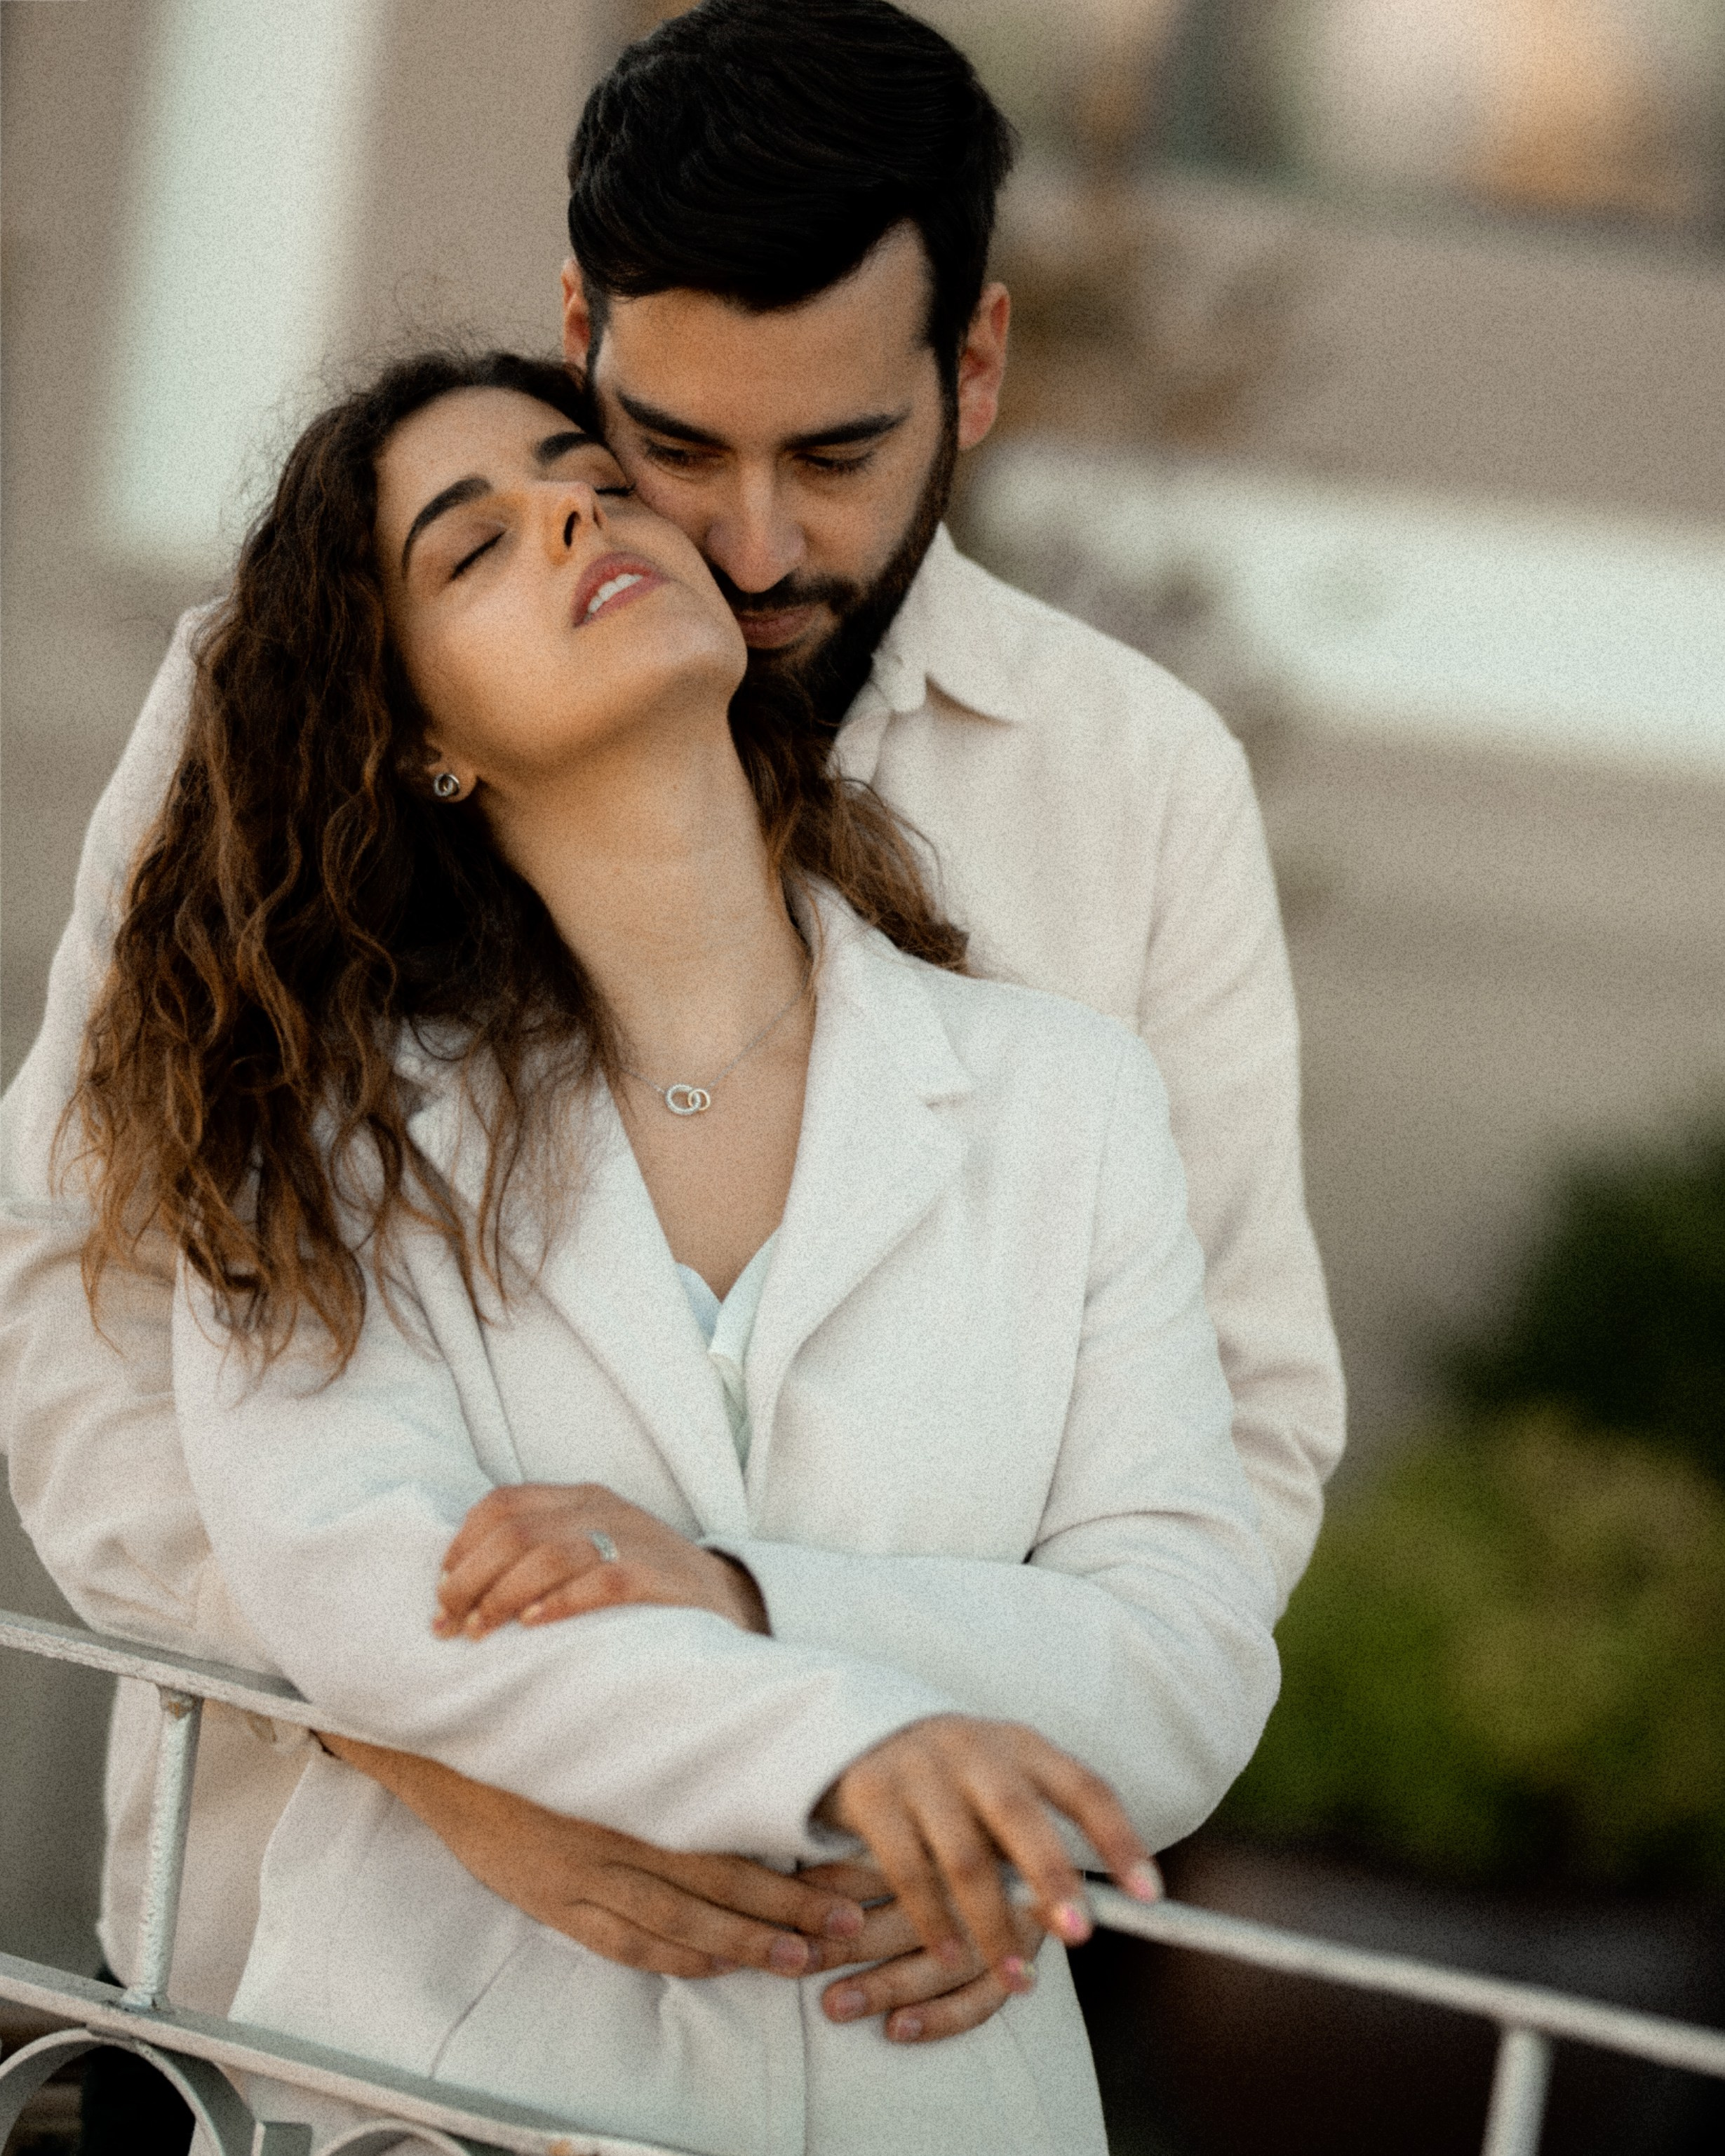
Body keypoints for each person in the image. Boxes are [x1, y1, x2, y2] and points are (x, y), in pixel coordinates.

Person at [0, 0, 1343, 2124]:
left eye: (836, 456)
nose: (747, 542)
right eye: (670, 446)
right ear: (579, 331)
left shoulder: (1131, 789)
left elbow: (1225, 1471)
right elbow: (90, 1300)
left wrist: (987, 1785)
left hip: (899, 2031)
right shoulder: (297, 708)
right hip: (334, 2005)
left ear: (975, 367)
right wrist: (422, 1731)